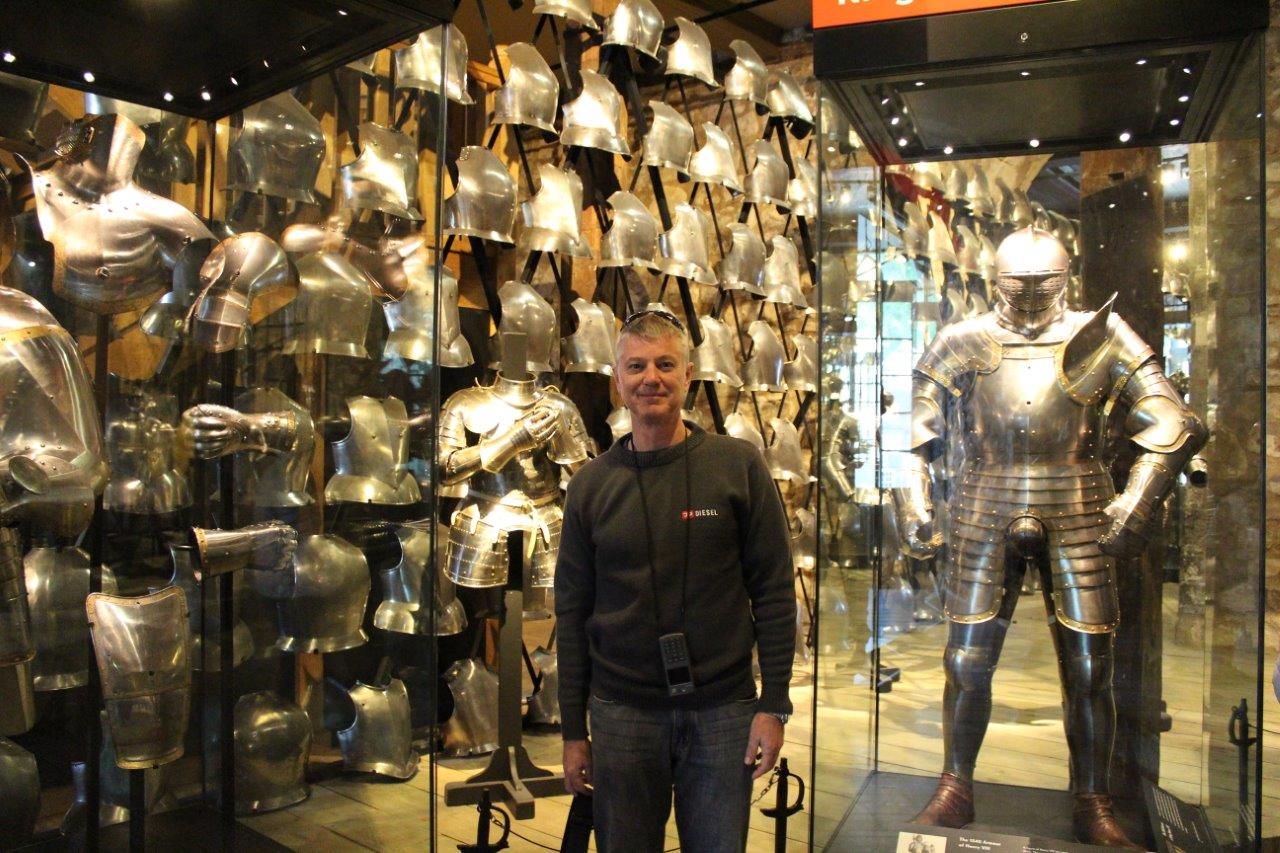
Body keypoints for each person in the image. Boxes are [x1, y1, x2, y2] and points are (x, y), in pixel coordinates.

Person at [555, 309, 796, 852]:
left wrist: (773, 703)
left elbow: (775, 594)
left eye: (666, 364)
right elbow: (571, 616)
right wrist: (574, 732)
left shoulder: (738, 467)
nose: (651, 378)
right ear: (617, 381)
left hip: (724, 710)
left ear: (689, 374)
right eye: (636, 366)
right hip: (622, 713)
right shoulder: (591, 487)